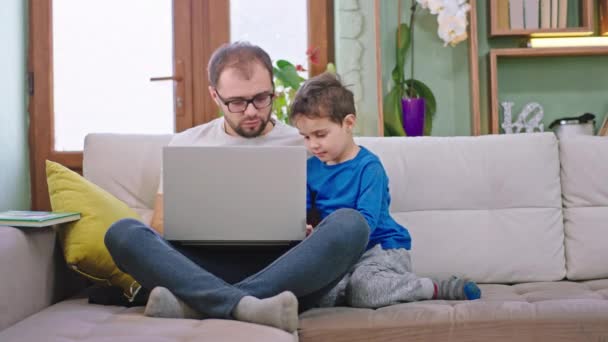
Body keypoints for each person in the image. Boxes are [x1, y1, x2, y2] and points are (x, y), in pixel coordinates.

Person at [103, 42, 370, 333]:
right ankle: (249, 306)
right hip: (202, 265)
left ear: (273, 89)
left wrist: (309, 228)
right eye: (238, 102)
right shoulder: (186, 145)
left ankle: (197, 304)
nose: (252, 111)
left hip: (280, 266)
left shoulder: (305, 143)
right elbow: (160, 224)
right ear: (214, 95)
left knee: (351, 225)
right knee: (122, 234)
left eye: (261, 98)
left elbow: (328, 214)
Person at [289, 72, 481, 309]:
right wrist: (305, 230)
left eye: (320, 135)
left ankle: (434, 287)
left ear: (348, 123)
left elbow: (365, 224)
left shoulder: (369, 167)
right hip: (339, 254)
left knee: (364, 291)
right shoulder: (310, 169)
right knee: (320, 297)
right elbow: (305, 214)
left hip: (381, 248)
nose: (313, 144)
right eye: (306, 137)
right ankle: (353, 286)